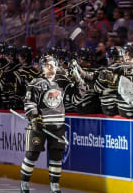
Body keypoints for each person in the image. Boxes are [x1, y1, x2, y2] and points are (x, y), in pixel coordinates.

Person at [20, 54, 85, 193]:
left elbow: (76, 98)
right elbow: (29, 102)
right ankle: (24, 183)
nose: (52, 66)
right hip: (38, 126)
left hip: (57, 127)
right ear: (42, 67)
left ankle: (54, 185)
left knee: (56, 156)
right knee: (32, 154)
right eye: (48, 64)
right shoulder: (35, 83)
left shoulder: (62, 81)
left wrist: (79, 81)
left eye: (53, 64)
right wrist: (35, 117)